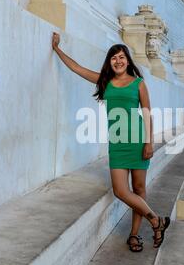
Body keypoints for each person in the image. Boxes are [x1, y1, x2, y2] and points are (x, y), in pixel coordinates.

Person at [52, 32, 170, 252]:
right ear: (109, 62)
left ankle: (134, 236)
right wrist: (58, 49)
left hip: (137, 140)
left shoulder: (139, 83)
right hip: (117, 142)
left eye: (122, 57)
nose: (118, 60)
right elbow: (77, 68)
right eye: (113, 57)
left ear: (128, 60)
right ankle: (156, 221)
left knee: (139, 188)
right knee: (121, 190)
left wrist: (148, 143)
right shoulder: (105, 81)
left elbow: (147, 114)